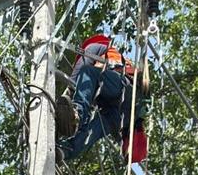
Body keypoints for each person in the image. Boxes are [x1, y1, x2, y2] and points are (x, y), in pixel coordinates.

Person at [57, 33, 150, 165]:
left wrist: (68, 99)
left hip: (124, 89)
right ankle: (63, 151)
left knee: (88, 72)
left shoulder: (95, 47)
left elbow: (76, 78)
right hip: (122, 113)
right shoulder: (114, 57)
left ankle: (76, 117)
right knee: (90, 131)